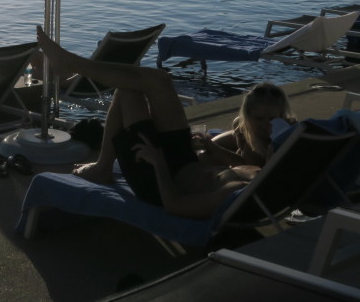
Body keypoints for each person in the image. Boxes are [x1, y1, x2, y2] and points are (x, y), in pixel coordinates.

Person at [36, 26, 257, 219]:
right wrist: (214, 148)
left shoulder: (234, 195)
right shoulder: (264, 175)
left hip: (158, 179)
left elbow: (174, 206)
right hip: (185, 159)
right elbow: (240, 162)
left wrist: (159, 163)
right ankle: (71, 63)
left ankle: (102, 168)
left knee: (128, 90)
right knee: (159, 79)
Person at [200, 83, 296, 167]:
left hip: (255, 169)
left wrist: (214, 148)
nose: (265, 124)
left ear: (281, 115)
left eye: (272, 119)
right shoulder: (243, 128)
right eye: (259, 118)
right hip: (246, 142)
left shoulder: (288, 134)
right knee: (203, 150)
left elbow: (248, 168)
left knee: (205, 155)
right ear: (248, 117)